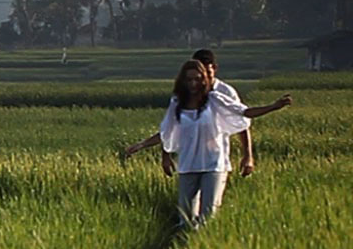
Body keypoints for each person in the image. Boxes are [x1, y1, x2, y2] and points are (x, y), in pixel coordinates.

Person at [155, 61, 290, 228]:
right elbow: (167, 131)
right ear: (182, 81)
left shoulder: (214, 100)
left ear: (204, 80)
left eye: (197, 79)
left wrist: (273, 107)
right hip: (188, 165)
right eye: (189, 80)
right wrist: (165, 157)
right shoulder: (177, 104)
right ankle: (183, 245)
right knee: (186, 218)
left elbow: (243, 112)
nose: (193, 84)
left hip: (213, 165)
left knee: (208, 217)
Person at [120, 48, 289, 174]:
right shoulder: (181, 97)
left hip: (215, 160)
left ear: (214, 68)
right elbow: (171, 128)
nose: (199, 81)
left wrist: (248, 156)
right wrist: (163, 154)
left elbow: (242, 120)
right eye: (194, 76)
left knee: (209, 207)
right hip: (189, 162)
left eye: (205, 73)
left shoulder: (223, 93)